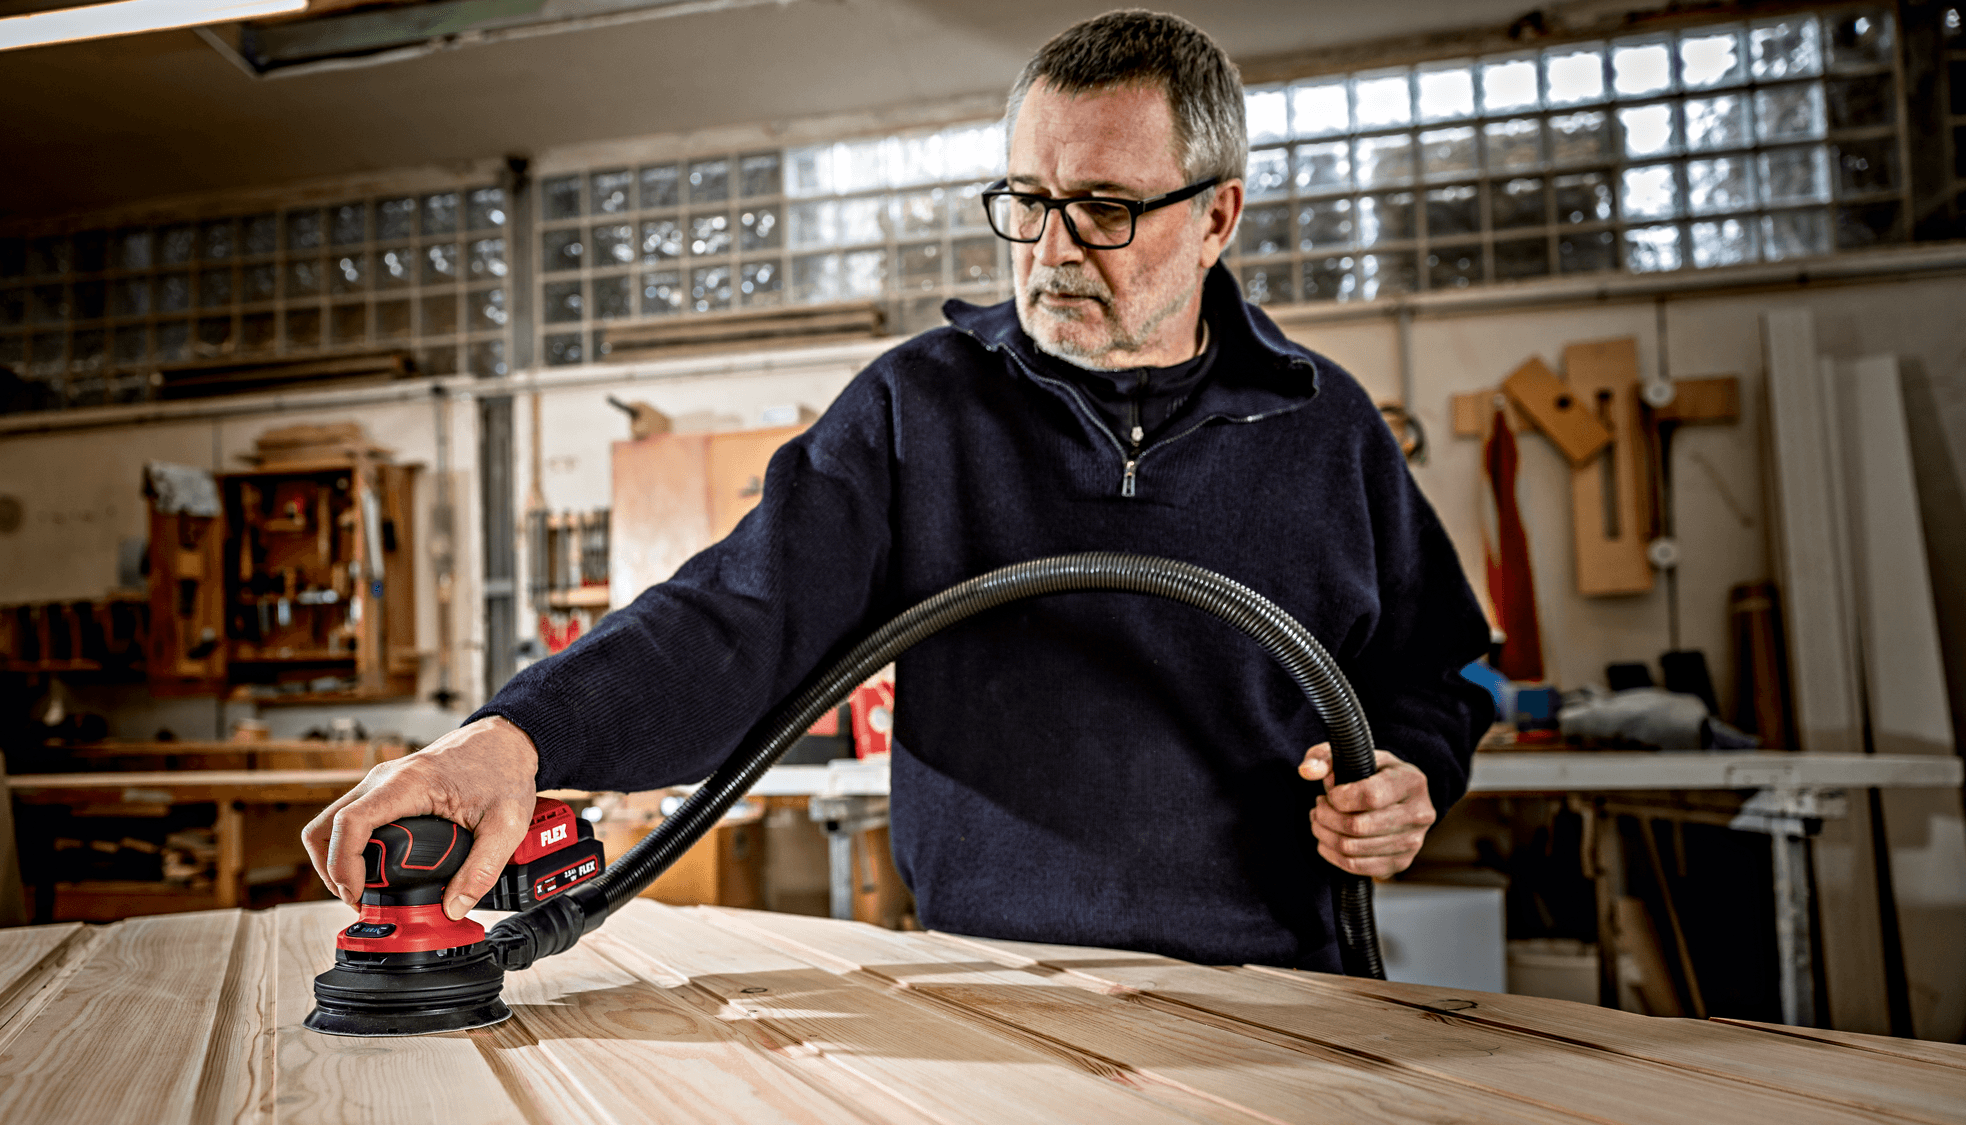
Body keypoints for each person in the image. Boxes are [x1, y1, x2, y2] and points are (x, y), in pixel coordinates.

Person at [304, 9, 1493, 971]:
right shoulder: (922, 409)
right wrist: (514, 737)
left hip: (1273, 992)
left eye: (1105, 209)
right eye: (1024, 200)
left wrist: (1407, 777)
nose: (1050, 250)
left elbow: (1446, 670)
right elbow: (737, 621)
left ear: (1216, 216)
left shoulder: (1322, 425)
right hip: (991, 984)